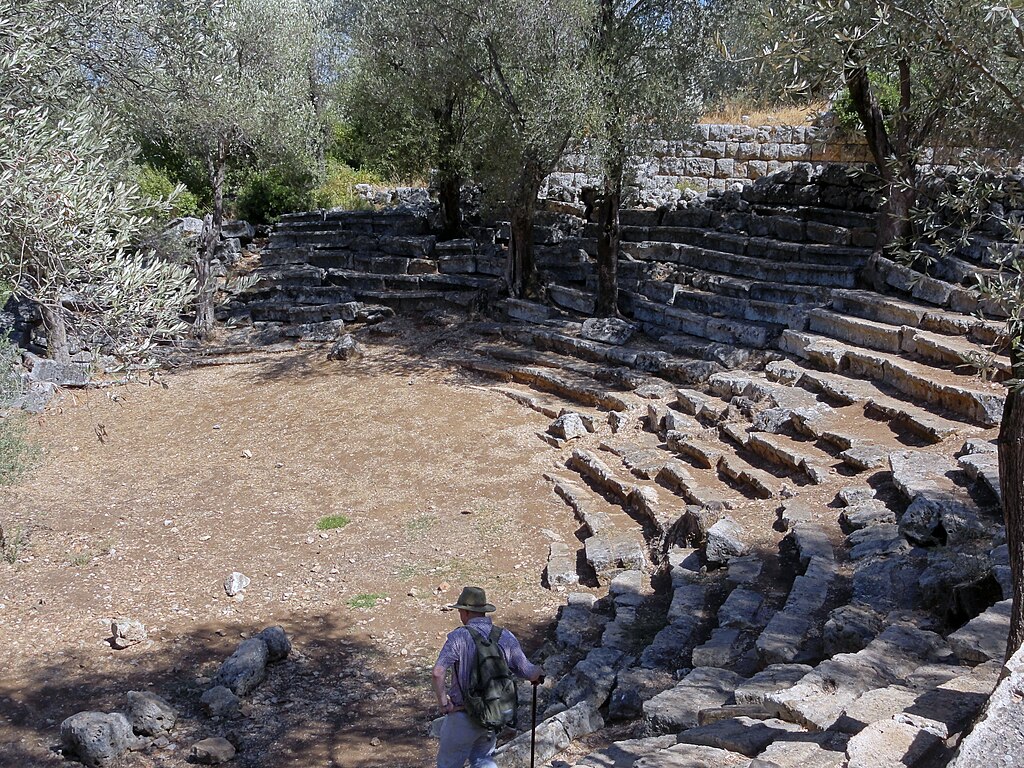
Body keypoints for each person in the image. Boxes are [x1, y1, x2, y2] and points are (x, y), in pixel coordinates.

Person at [432, 586, 544, 768]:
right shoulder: (504, 636)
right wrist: (538, 673)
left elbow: (437, 672)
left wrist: (444, 704)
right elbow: (528, 672)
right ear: (483, 611)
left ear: (466, 612)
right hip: (492, 715)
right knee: (483, 760)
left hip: (462, 714)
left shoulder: (458, 637)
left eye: (460, 611)